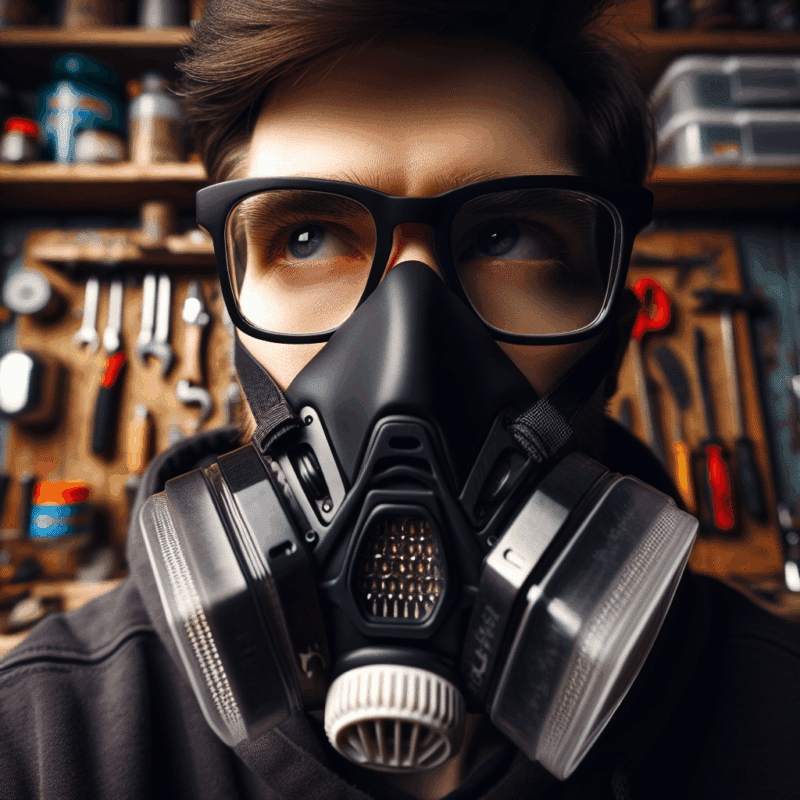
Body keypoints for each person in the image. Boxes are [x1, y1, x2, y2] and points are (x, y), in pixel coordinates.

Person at [1, 2, 799, 799]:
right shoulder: (39, 743)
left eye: (508, 235)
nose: (406, 348)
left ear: (615, 331)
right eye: (307, 237)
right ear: (230, 329)